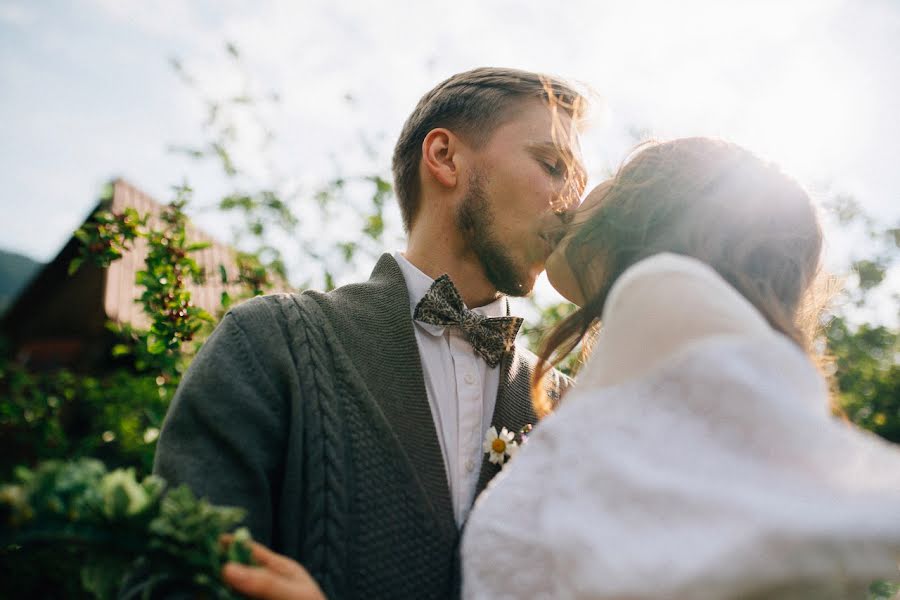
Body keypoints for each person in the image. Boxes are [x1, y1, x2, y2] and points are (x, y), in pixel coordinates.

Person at [151, 67, 588, 600]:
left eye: (580, 187)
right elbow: (171, 582)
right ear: (446, 158)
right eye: (552, 165)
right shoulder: (267, 343)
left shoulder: (577, 410)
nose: (571, 207)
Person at [461, 137, 900, 599]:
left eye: (615, 175)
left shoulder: (664, 294)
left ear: (652, 202)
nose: (569, 199)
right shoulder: (662, 352)